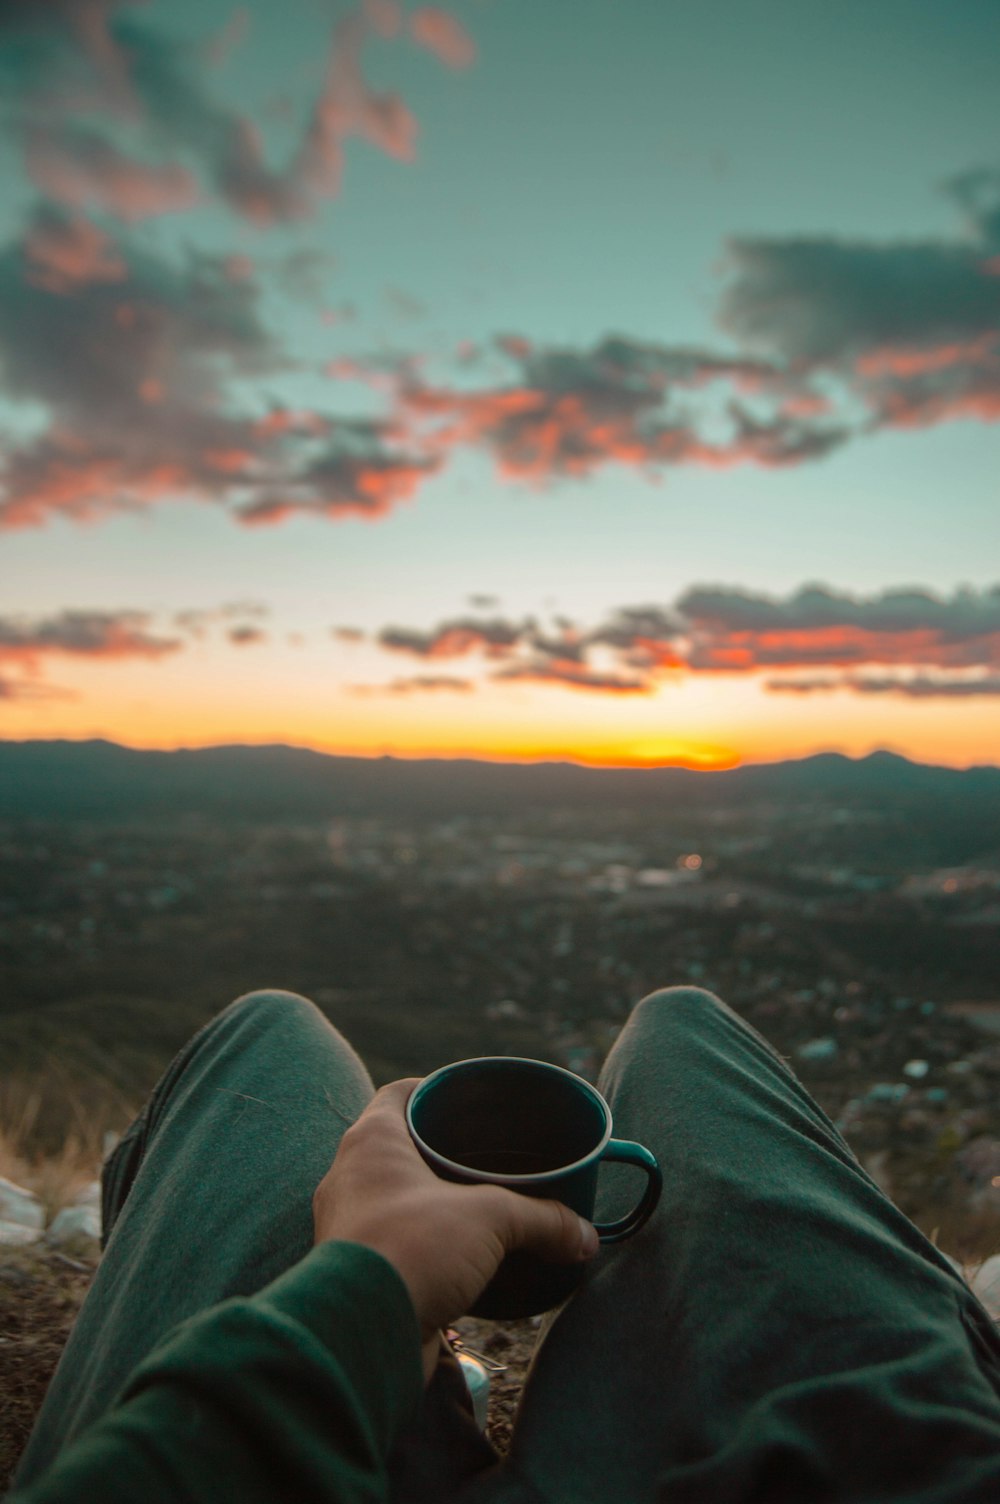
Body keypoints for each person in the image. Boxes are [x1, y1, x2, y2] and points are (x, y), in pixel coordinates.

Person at [11, 984, 1000, 1503]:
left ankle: (420, 1402)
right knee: (679, 1025)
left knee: (269, 1033)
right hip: (829, 1466)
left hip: (263, 1457)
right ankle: (556, 1394)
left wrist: (361, 1292)